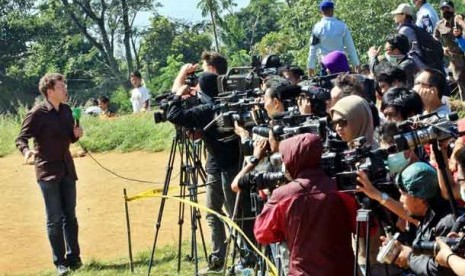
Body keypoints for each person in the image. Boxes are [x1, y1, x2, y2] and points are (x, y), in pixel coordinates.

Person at [253, 133, 354, 275]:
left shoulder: (283, 195)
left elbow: (262, 234)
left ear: (293, 158)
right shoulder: (340, 188)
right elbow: (366, 229)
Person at [15, 73, 84, 276]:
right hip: (47, 172)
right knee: (54, 218)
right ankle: (60, 263)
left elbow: (70, 138)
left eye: (65, 86)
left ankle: (74, 258)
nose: (65, 89)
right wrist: (27, 152)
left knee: (70, 216)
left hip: (67, 169)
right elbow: (21, 138)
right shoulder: (37, 113)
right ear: (50, 91)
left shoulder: (67, 110)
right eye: (61, 87)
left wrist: (75, 136)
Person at [384, 162, 455, 275]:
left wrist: (409, 258)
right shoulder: (427, 217)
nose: (401, 200)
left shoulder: (447, 223)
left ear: (420, 198)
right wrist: (399, 249)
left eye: (403, 194)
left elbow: (440, 269)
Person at [307, 0, 360, 77]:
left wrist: (310, 66)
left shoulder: (317, 28)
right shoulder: (342, 26)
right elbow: (350, 47)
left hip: (326, 65)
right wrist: (356, 63)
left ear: (321, 11)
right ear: (333, 10)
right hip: (341, 63)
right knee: (345, 86)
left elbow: (313, 48)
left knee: (327, 87)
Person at [434, 1, 465, 100]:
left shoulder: (460, 19)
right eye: (443, 9)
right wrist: (442, 48)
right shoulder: (439, 25)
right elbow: (434, 40)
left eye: (447, 8)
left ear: (453, 9)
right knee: (461, 83)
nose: (445, 11)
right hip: (455, 59)